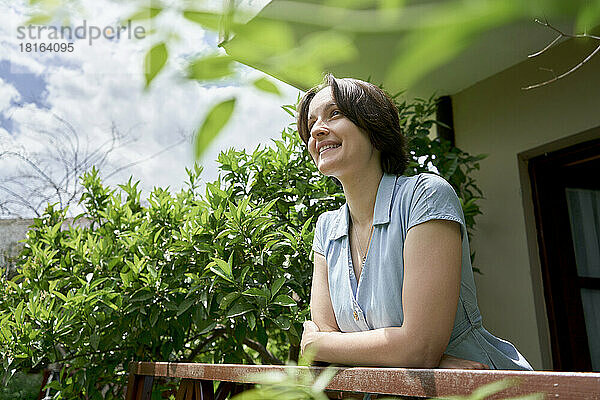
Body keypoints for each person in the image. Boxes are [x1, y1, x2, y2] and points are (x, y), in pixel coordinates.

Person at [297, 74, 532, 370]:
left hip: (477, 390)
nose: (317, 129)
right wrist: (425, 356)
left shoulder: (426, 196)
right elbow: (326, 361)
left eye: (334, 114)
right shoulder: (326, 229)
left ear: (373, 126)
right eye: (311, 123)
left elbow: (416, 350)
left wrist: (315, 342)